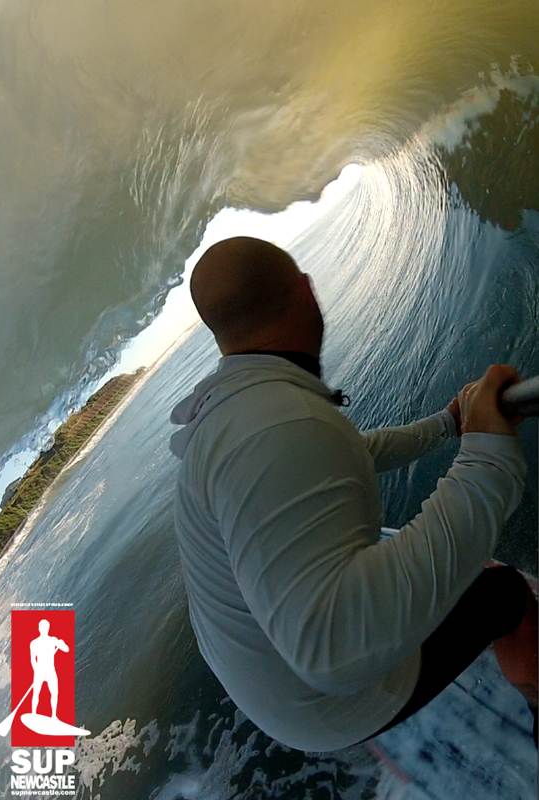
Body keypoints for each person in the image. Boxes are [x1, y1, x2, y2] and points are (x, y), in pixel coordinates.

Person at [169, 236, 537, 751]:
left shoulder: (239, 409)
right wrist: (487, 454)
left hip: (269, 687)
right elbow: (335, 651)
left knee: (459, 570)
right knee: (505, 593)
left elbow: (349, 452)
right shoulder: (276, 425)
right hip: (328, 705)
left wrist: (449, 424)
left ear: (221, 335)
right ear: (306, 291)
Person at [30, 619, 69, 718]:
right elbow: (33, 659)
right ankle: (34, 713)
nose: (44, 629)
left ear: (48, 628)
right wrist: (36, 671)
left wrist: (61, 643)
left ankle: (53, 716)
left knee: (54, 693)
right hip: (41, 671)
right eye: (43, 627)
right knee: (36, 693)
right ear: (39, 629)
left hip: (49, 671)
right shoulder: (34, 643)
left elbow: (66, 650)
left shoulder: (53, 640)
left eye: (45, 627)